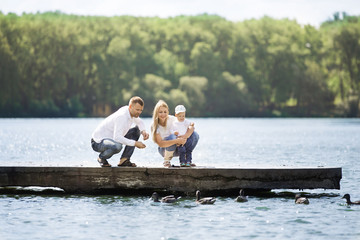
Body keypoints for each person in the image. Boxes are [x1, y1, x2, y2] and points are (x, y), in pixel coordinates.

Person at [91, 96, 149, 167]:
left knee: (137, 130)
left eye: (141, 110)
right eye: (137, 110)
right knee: (117, 146)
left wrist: (143, 131)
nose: (139, 112)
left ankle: (124, 160)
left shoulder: (130, 112)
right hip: (98, 142)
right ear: (130, 106)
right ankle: (101, 158)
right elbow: (117, 138)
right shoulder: (122, 117)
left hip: (112, 138)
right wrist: (135, 143)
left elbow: (139, 122)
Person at [151, 100, 199, 168]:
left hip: (179, 147)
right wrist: (177, 140)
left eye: (165, 112)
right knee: (172, 136)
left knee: (195, 135)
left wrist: (185, 136)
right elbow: (160, 143)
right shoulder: (155, 125)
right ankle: (166, 161)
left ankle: (186, 160)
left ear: (168, 112)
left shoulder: (172, 119)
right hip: (164, 150)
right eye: (160, 112)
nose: (163, 114)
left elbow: (190, 125)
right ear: (156, 113)